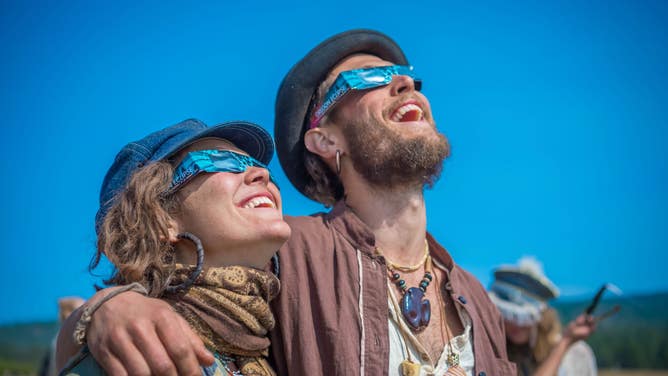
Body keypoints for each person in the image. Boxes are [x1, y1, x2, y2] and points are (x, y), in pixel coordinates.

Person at [57, 30, 516, 376]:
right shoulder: (289, 254)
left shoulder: (477, 299)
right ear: (323, 138)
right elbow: (178, 289)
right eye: (369, 77)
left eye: (409, 77)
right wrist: (102, 310)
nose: (403, 83)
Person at [56, 119, 291, 375]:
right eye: (221, 160)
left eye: (255, 164)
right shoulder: (132, 355)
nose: (263, 173)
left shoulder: (275, 351)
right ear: (161, 220)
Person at [488, 257, 598, 376]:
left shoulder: (575, 354)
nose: (516, 323)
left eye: (523, 318)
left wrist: (565, 342)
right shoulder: (497, 356)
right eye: (509, 316)